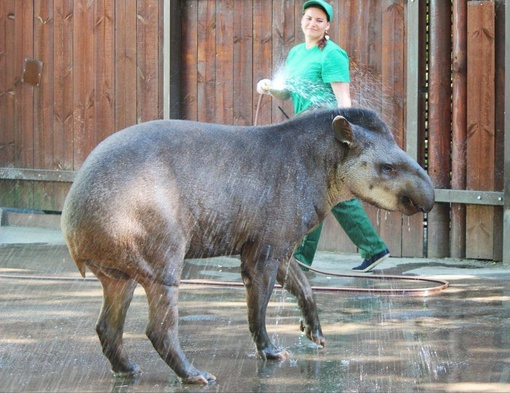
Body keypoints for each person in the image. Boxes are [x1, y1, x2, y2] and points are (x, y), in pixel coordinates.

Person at [256, 0, 389, 273]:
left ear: (327, 25)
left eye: (319, 20)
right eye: (308, 18)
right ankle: (373, 249)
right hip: (305, 134)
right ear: (302, 20)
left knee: (313, 193)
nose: (312, 23)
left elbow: (344, 102)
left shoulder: (332, 54)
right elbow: (288, 92)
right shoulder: (296, 53)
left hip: (326, 135)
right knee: (326, 194)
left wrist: (345, 138)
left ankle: (303, 261)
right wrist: (270, 88)